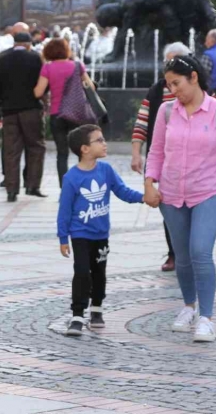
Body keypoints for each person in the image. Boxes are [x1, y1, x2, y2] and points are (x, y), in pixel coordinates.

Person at [144, 55, 216, 343]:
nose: (172, 90)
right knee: (182, 256)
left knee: (200, 250)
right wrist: (149, 184)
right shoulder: (166, 112)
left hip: (210, 191)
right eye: (168, 84)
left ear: (193, 77)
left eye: (176, 83)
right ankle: (188, 306)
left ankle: (207, 317)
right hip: (171, 194)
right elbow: (155, 152)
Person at [58, 124, 145, 336]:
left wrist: (144, 197)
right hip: (80, 235)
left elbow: (122, 191)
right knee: (81, 272)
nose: (105, 143)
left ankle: (96, 308)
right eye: (99, 140)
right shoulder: (71, 178)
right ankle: (77, 314)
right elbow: (64, 211)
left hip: (101, 234)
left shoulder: (106, 171)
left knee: (99, 273)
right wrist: (63, 238)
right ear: (84, 149)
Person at [130, 42, 191, 272]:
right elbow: (142, 122)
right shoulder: (157, 90)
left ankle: (193, 251)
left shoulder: (199, 88)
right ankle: (174, 253)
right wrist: (136, 153)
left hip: (195, 160)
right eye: (168, 62)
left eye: (177, 61)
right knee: (170, 207)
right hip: (166, 160)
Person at [0, 31, 47, 202]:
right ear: (29, 44)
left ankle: (11, 189)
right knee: (36, 148)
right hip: (31, 110)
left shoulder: (3, 58)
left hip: (9, 112)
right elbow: (43, 84)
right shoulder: (36, 58)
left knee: (11, 151)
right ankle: (32, 185)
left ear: (14, 43)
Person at [33, 37, 94, 187]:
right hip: (76, 114)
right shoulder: (77, 65)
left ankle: (64, 188)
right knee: (81, 151)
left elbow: (38, 92)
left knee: (62, 153)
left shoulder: (47, 67)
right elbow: (90, 87)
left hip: (57, 114)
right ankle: (83, 184)